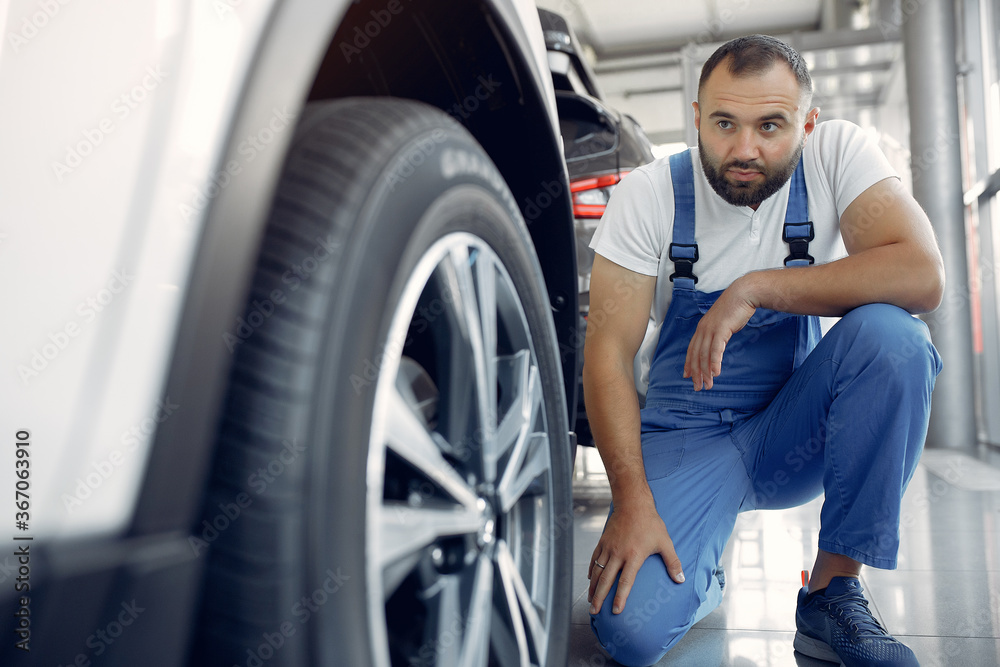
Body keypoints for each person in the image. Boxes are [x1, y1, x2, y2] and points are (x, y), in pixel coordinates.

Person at [582, 34, 944, 667]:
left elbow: (921, 275)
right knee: (630, 635)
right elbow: (607, 356)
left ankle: (832, 592)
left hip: (790, 432)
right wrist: (634, 502)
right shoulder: (648, 195)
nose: (744, 150)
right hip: (684, 436)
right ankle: (703, 566)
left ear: (807, 122)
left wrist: (756, 289)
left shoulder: (836, 154)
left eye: (771, 126)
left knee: (895, 337)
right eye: (724, 123)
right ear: (697, 118)